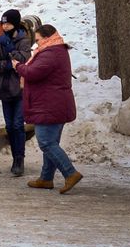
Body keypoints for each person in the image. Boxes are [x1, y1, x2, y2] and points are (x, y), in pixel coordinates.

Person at [14, 24, 83, 194]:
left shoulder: (51, 53)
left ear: (47, 38)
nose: (36, 45)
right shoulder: (55, 51)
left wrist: (18, 66)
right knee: (51, 143)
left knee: (46, 142)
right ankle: (46, 178)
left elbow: (33, 73)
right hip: (53, 103)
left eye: (37, 40)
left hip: (49, 104)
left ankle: (70, 173)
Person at [0, 8, 32, 176]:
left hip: (20, 88)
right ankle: (15, 157)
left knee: (17, 124)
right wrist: (9, 64)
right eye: (3, 23)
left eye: (7, 23)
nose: (5, 26)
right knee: (9, 126)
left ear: (14, 23)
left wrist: (11, 54)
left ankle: (19, 159)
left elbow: (24, 59)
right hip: (5, 87)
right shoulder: (0, 41)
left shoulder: (24, 40)